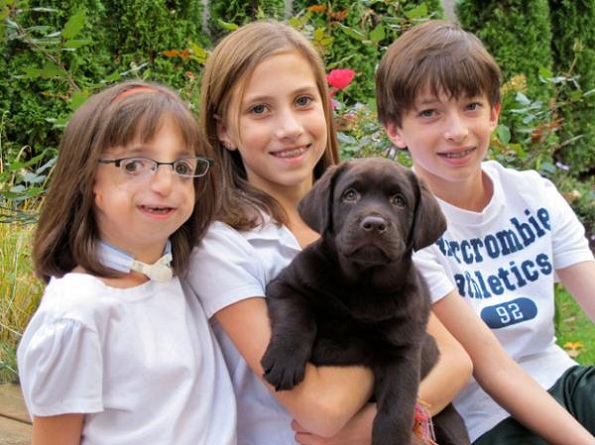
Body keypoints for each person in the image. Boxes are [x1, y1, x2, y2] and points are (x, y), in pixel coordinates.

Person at [183, 20, 472, 445]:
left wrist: (387, 424)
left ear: (325, 107)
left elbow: (457, 361)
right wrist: (393, 353)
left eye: (303, 101)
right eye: (259, 109)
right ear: (223, 130)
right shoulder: (223, 246)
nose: (289, 128)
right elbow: (320, 410)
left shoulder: (386, 219)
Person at [375, 19, 595, 445]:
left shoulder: (533, 192)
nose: (456, 130)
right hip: (489, 419)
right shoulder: (404, 231)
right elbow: (491, 368)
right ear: (395, 129)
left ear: (494, 112)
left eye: (471, 106)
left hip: (562, 379)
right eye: (429, 113)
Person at [17, 80, 237, 445]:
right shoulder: (79, 313)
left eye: (182, 167)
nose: (165, 183)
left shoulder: (177, 279)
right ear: (89, 180)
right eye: (134, 164)